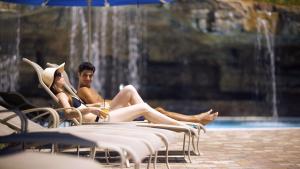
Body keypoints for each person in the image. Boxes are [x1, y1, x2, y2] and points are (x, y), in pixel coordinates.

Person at [41, 63, 198, 133]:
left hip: (101, 116)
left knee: (129, 89)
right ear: (55, 82)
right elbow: (68, 113)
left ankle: (156, 118)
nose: (62, 76)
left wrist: (94, 108)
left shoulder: (67, 93)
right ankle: (180, 126)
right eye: (59, 75)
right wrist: (91, 109)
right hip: (99, 120)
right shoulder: (61, 95)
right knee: (143, 108)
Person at [76, 62, 218, 125]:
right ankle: (195, 119)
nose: (88, 78)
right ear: (79, 75)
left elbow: (102, 103)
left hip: (109, 111)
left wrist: (121, 103)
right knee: (130, 90)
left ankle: (195, 119)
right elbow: (97, 105)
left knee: (157, 110)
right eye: (85, 75)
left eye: (90, 75)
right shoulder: (83, 90)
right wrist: (122, 103)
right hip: (105, 114)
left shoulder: (90, 88)